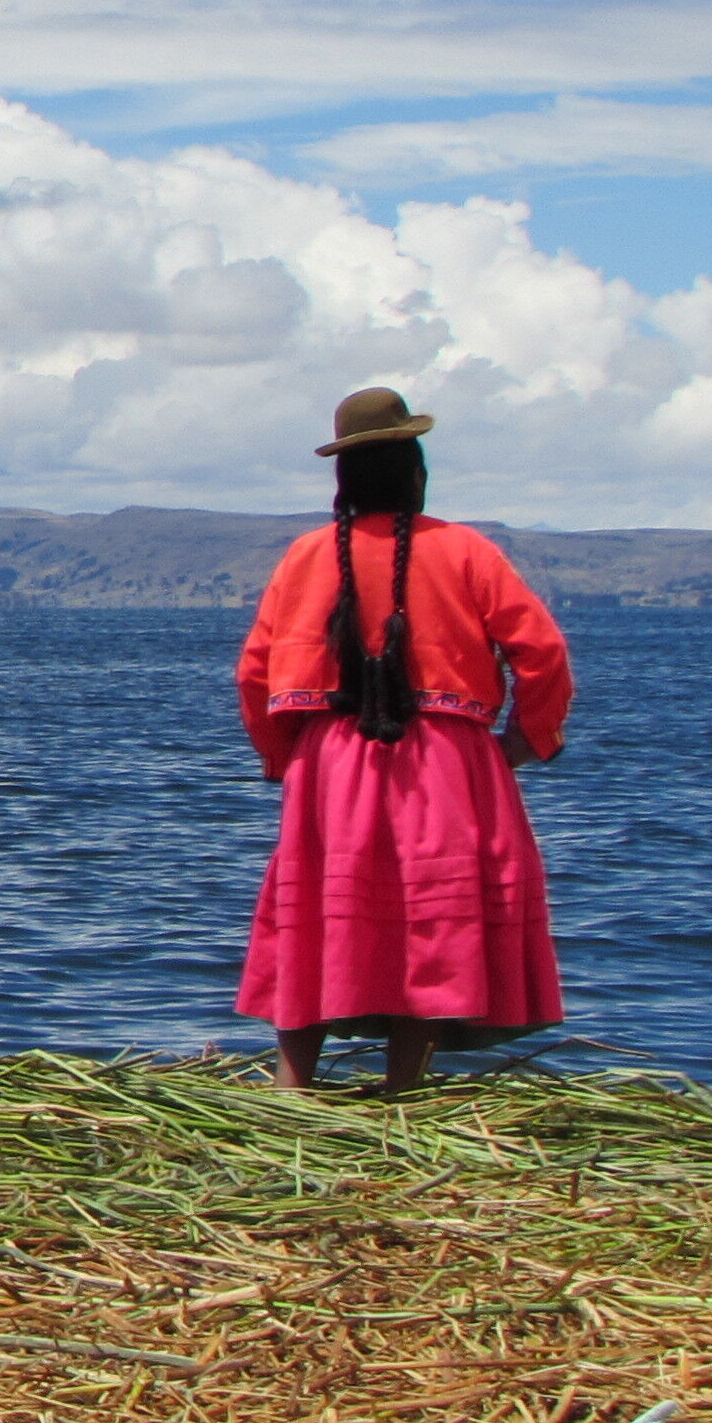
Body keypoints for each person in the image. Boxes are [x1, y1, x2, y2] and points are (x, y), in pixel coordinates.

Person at [236, 386, 575, 1094]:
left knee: (318, 907)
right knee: (431, 913)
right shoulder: (463, 550)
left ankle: (292, 1083)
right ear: (415, 470)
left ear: (344, 478)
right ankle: (405, 1086)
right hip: (447, 761)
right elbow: (542, 652)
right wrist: (526, 740)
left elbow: (255, 671)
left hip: (330, 764)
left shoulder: (304, 556)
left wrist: (282, 756)